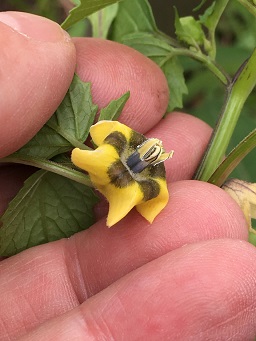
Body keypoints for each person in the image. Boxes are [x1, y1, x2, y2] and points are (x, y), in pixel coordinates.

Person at [0, 12, 255, 341]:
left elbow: (100, 146)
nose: (152, 152)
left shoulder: (140, 168)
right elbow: (94, 147)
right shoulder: (124, 149)